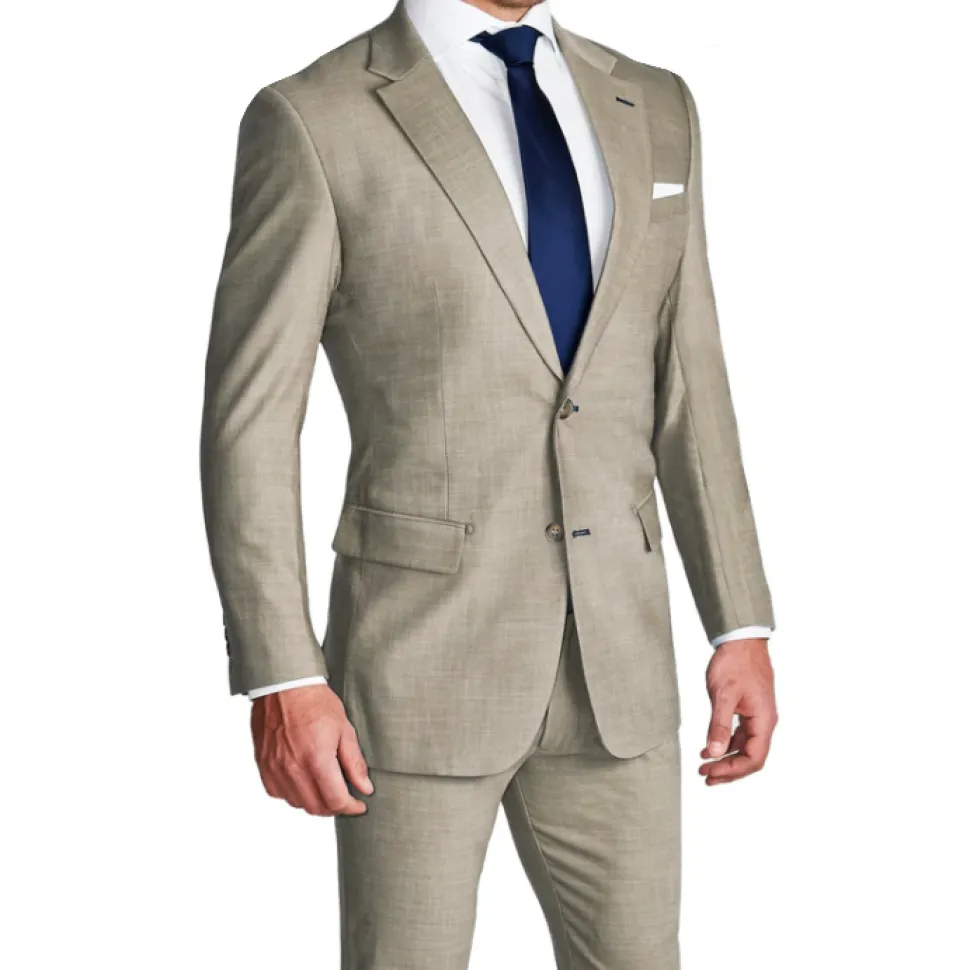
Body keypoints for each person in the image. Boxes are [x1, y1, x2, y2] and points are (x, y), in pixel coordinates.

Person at [200, 1, 778, 966]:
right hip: (417, 665)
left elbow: (690, 377)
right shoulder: (315, 116)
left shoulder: (656, 103)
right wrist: (284, 673)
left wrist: (740, 622)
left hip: (620, 662)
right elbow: (249, 423)